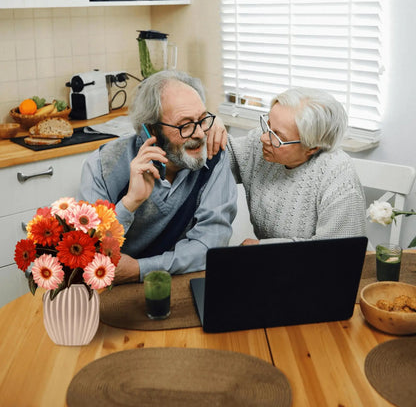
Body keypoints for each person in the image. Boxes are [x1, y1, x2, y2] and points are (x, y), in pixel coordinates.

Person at [78, 70, 237, 283]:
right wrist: (130, 202)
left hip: (184, 281)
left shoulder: (214, 156)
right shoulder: (101, 165)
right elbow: (91, 250)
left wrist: (140, 269)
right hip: (115, 285)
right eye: (185, 125)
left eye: (202, 119)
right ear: (151, 129)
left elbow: (210, 245)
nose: (199, 134)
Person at [208, 87, 366, 245]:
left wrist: (262, 249)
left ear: (312, 148)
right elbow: (218, 155)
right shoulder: (261, 143)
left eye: (277, 135)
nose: (264, 137)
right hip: (273, 263)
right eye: (267, 124)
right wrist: (209, 124)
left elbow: (336, 251)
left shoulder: (339, 175)